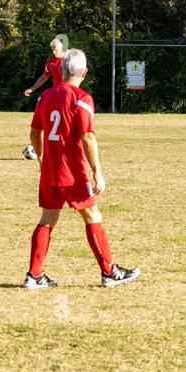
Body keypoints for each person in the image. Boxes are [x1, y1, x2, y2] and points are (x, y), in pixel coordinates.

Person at [24, 48, 140, 288]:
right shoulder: (82, 98)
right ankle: (109, 272)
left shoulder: (44, 97)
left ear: (62, 70)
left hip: (50, 170)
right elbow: (87, 137)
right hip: (72, 172)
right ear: (84, 72)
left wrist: (41, 158)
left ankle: (34, 275)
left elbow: (35, 132)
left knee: (47, 218)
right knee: (92, 215)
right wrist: (97, 171)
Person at [23, 37, 66, 159]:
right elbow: (44, 77)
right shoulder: (51, 61)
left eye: (55, 49)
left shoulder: (67, 61)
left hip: (66, 96)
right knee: (48, 124)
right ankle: (44, 150)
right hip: (55, 96)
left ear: (61, 48)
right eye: (52, 49)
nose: (53, 51)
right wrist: (32, 89)